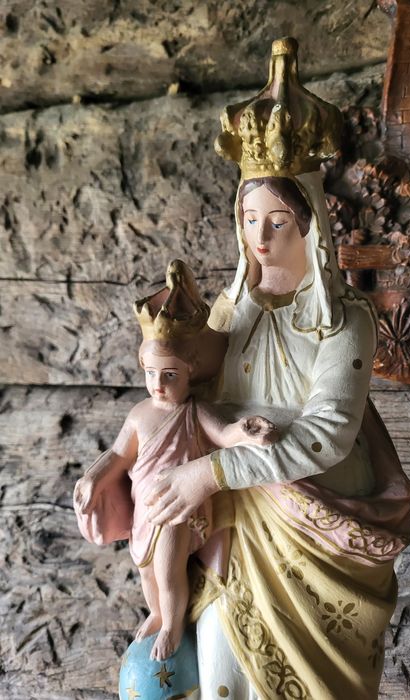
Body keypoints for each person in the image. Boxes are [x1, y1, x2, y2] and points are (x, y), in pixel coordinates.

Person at [145, 38, 410, 699]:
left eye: (277, 222)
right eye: (248, 219)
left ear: (310, 224)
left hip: (314, 523)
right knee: (220, 674)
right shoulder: (229, 309)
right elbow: (176, 392)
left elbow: (326, 434)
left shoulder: (344, 320)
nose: (259, 238)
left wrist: (212, 471)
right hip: (234, 525)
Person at [73, 260, 277, 663]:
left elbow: (224, 434)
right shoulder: (139, 414)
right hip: (145, 508)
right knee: (146, 568)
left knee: (168, 570)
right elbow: (119, 454)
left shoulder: (195, 411)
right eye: (151, 374)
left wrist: (244, 431)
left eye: (169, 375)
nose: (158, 385)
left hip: (179, 508)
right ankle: (157, 611)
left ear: (190, 371)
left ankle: (172, 623)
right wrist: (93, 479)